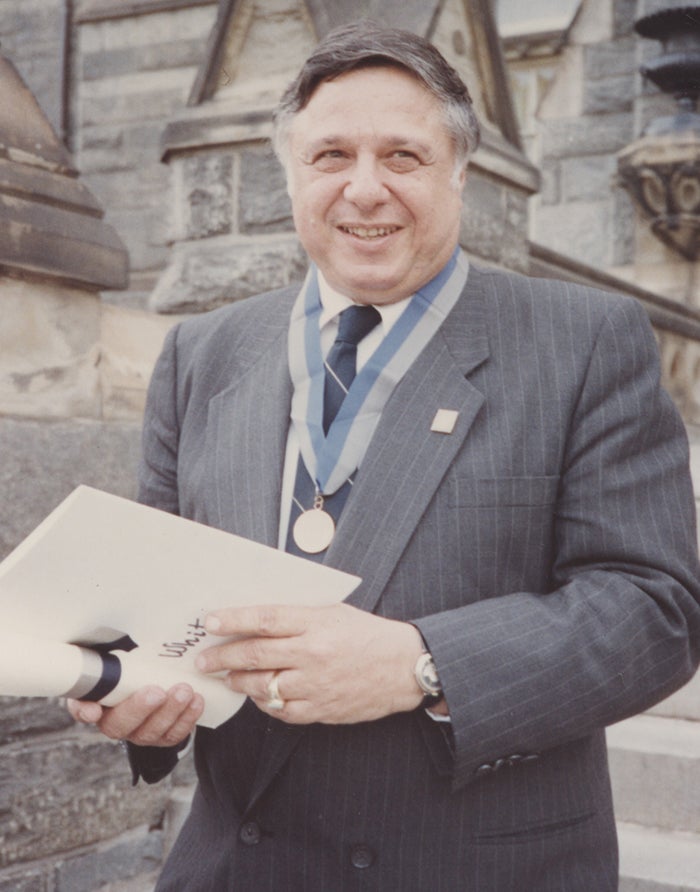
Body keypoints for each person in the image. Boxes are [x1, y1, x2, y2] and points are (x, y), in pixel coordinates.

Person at [69, 21, 700, 891]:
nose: (365, 190)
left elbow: (656, 610)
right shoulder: (202, 352)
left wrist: (419, 664)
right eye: (331, 155)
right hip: (240, 861)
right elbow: (161, 602)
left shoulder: (585, 342)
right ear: (291, 171)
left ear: (459, 171)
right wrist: (141, 698)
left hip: (474, 866)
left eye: (402, 156)